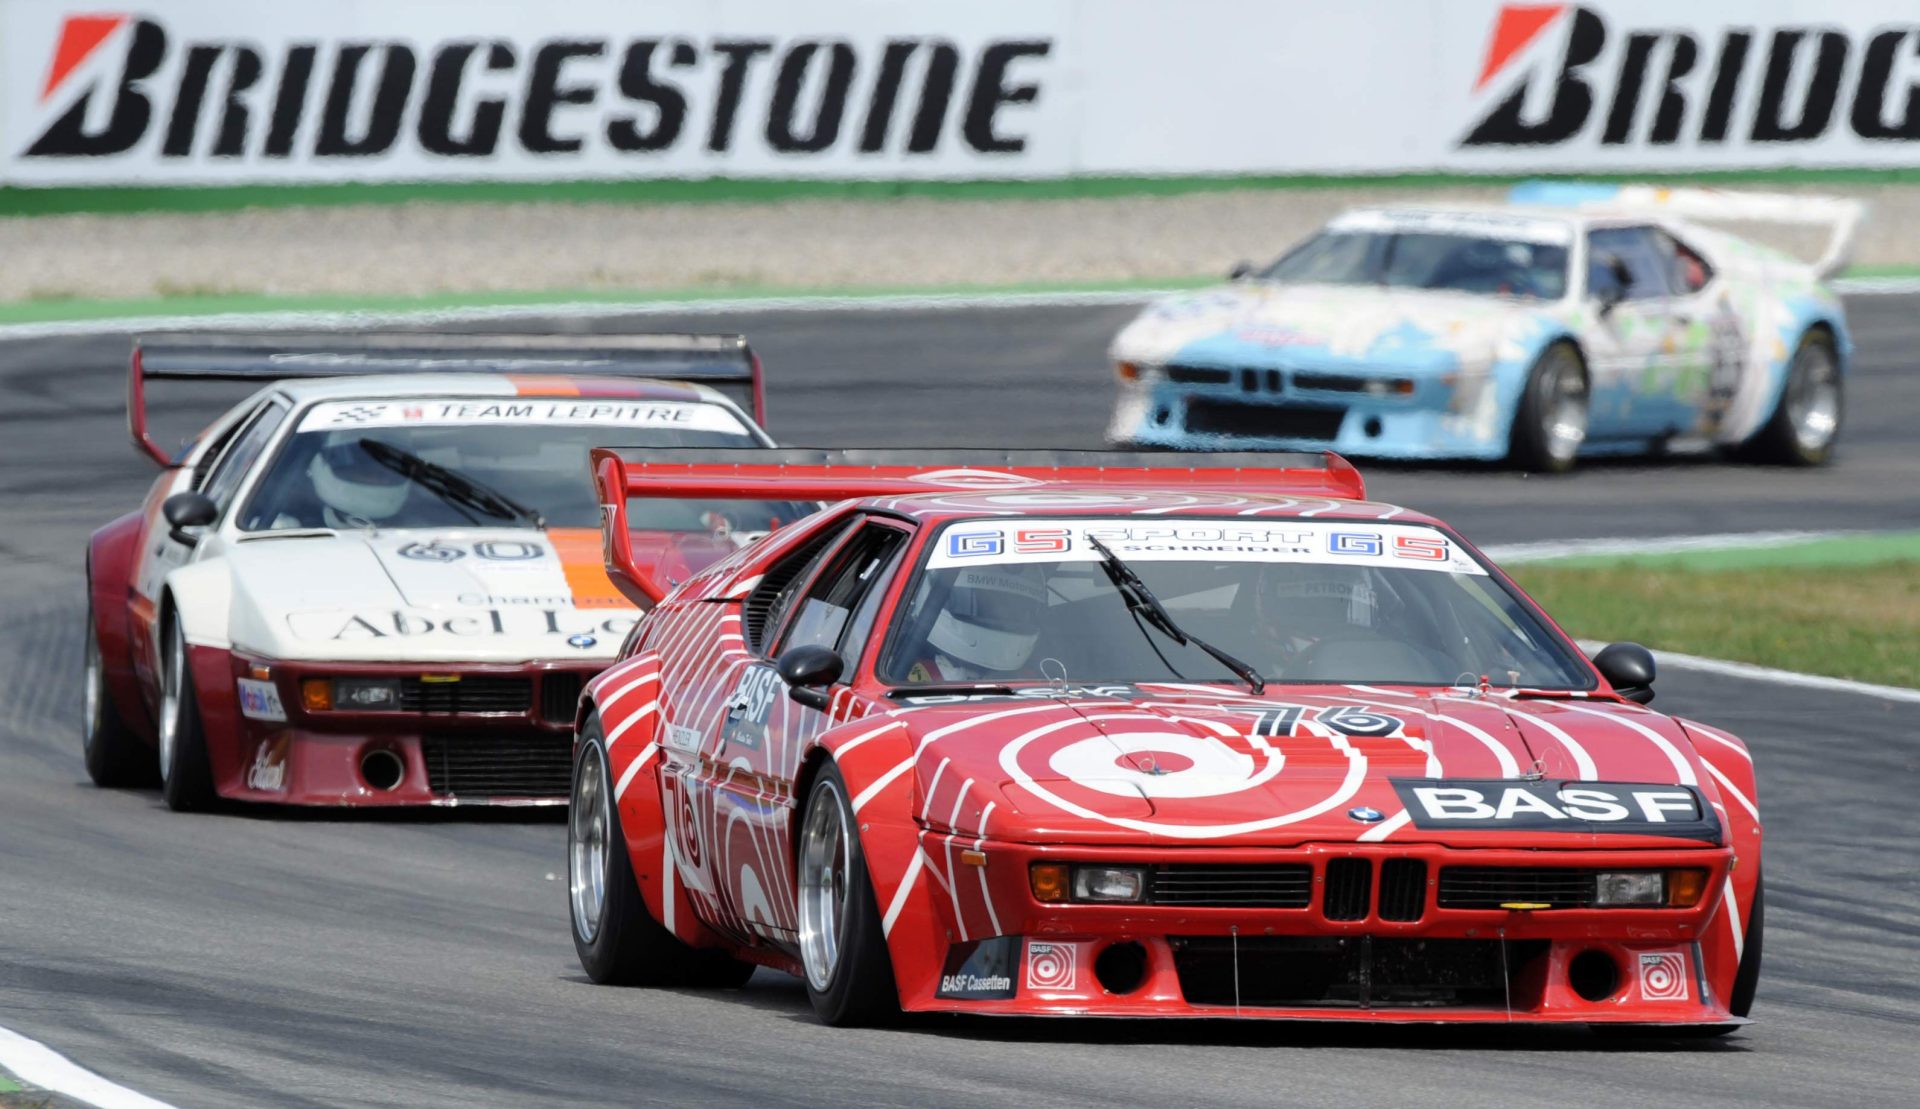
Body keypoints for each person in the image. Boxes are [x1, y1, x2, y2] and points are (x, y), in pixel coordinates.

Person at [905, 564, 1048, 682]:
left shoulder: (1034, 683)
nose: (1000, 615)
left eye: (1015, 609)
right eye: (986, 604)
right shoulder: (904, 676)